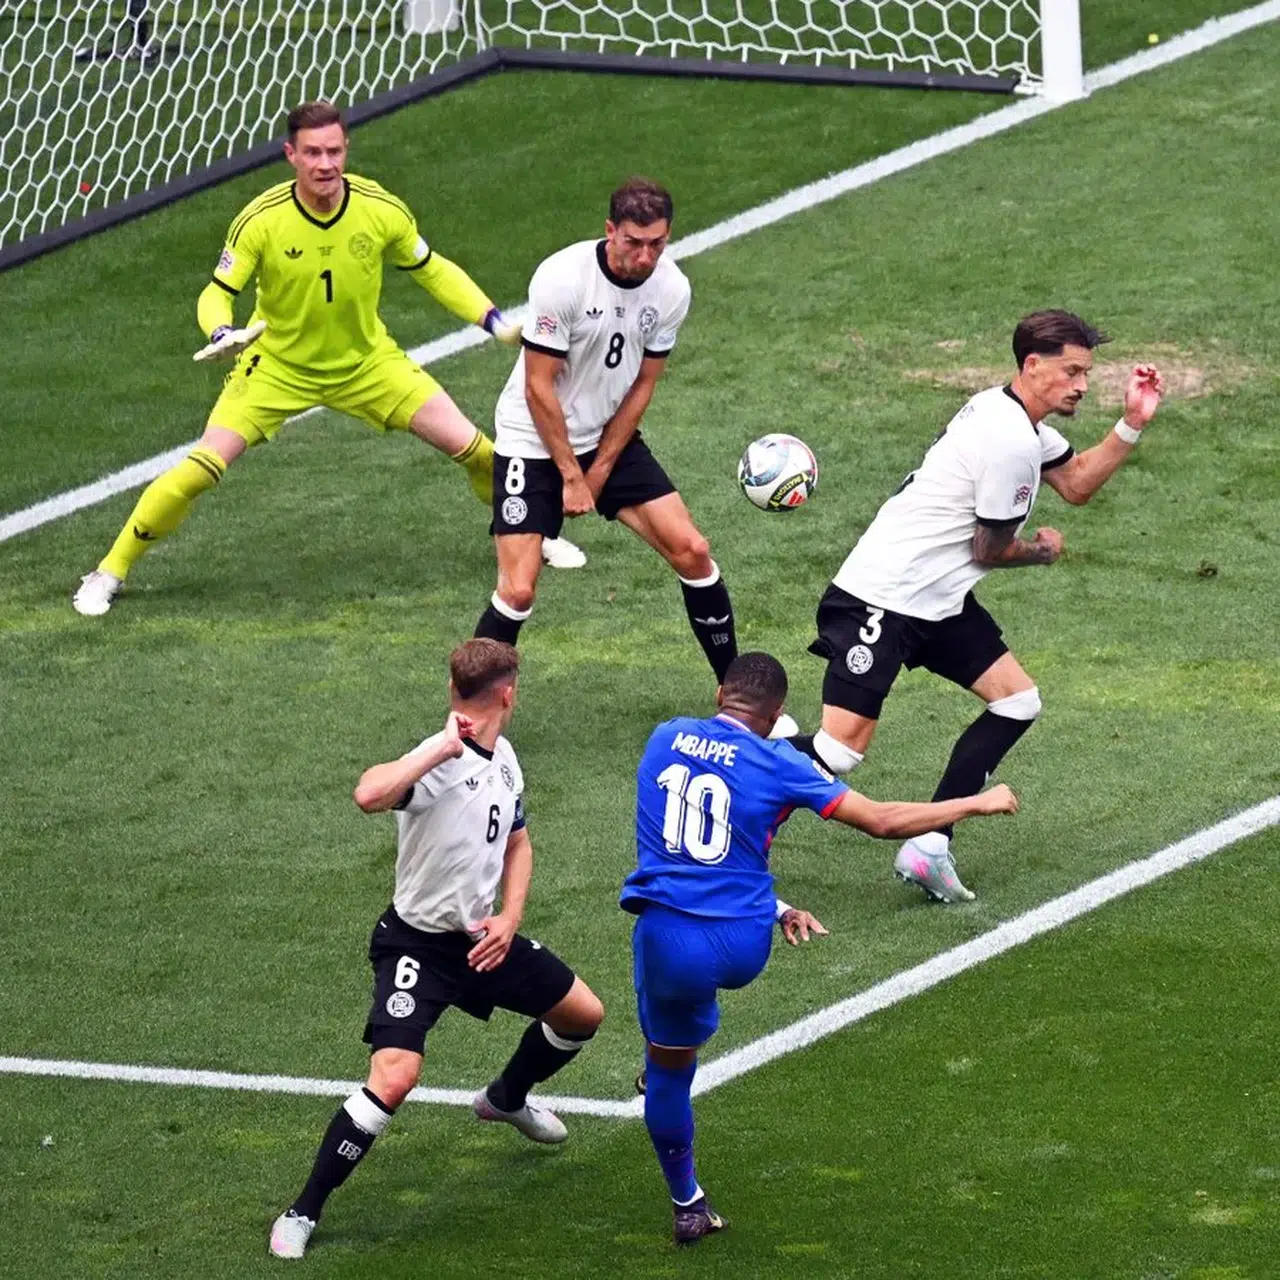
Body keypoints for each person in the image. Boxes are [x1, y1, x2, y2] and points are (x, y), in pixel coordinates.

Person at [73, 100, 581, 617]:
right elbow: (217, 291)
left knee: (479, 452)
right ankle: (108, 571)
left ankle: (532, 533)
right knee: (200, 470)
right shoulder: (262, 219)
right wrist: (221, 330)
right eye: (313, 153)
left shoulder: (379, 208)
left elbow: (432, 269)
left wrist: (494, 322)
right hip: (277, 369)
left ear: (346, 150)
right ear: (290, 155)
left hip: (368, 364)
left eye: (334, 151)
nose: (325, 164)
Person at [620, 651, 1018, 1244]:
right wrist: (973, 802)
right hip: (744, 941)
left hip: (671, 943)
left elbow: (690, 846)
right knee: (692, 997)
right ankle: (672, 1056)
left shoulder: (664, 737)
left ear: (720, 693)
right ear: (777, 713)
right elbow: (880, 820)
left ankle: (688, 1204)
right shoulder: (781, 761)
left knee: (668, 1068)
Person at [786, 311, 1164, 903]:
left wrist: (1132, 423)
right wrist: (1042, 552)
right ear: (1031, 365)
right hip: (881, 597)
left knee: (1017, 701)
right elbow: (988, 550)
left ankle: (930, 844)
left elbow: (1076, 483)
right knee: (837, 753)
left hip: (936, 599)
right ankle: (732, 763)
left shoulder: (1013, 416)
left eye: (1087, 373)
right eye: (1072, 372)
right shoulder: (1010, 441)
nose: (1083, 385)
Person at [269, 638, 604, 1260]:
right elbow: (368, 794)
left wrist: (510, 918)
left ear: (458, 688)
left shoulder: (506, 756)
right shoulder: (436, 762)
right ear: (509, 694)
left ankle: (505, 1099)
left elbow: (519, 843)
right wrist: (436, 750)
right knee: (395, 1078)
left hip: (481, 940)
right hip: (416, 947)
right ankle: (302, 1210)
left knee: (582, 1014)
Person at [473, 177, 738, 682]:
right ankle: (468, 706)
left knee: (694, 551)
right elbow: (537, 386)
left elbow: (643, 384)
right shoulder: (563, 278)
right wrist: (572, 477)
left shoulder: (672, 289)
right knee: (518, 590)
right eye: (634, 242)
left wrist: (599, 471)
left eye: (657, 244)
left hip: (604, 436)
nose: (645, 256)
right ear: (610, 230)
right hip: (532, 440)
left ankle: (736, 694)